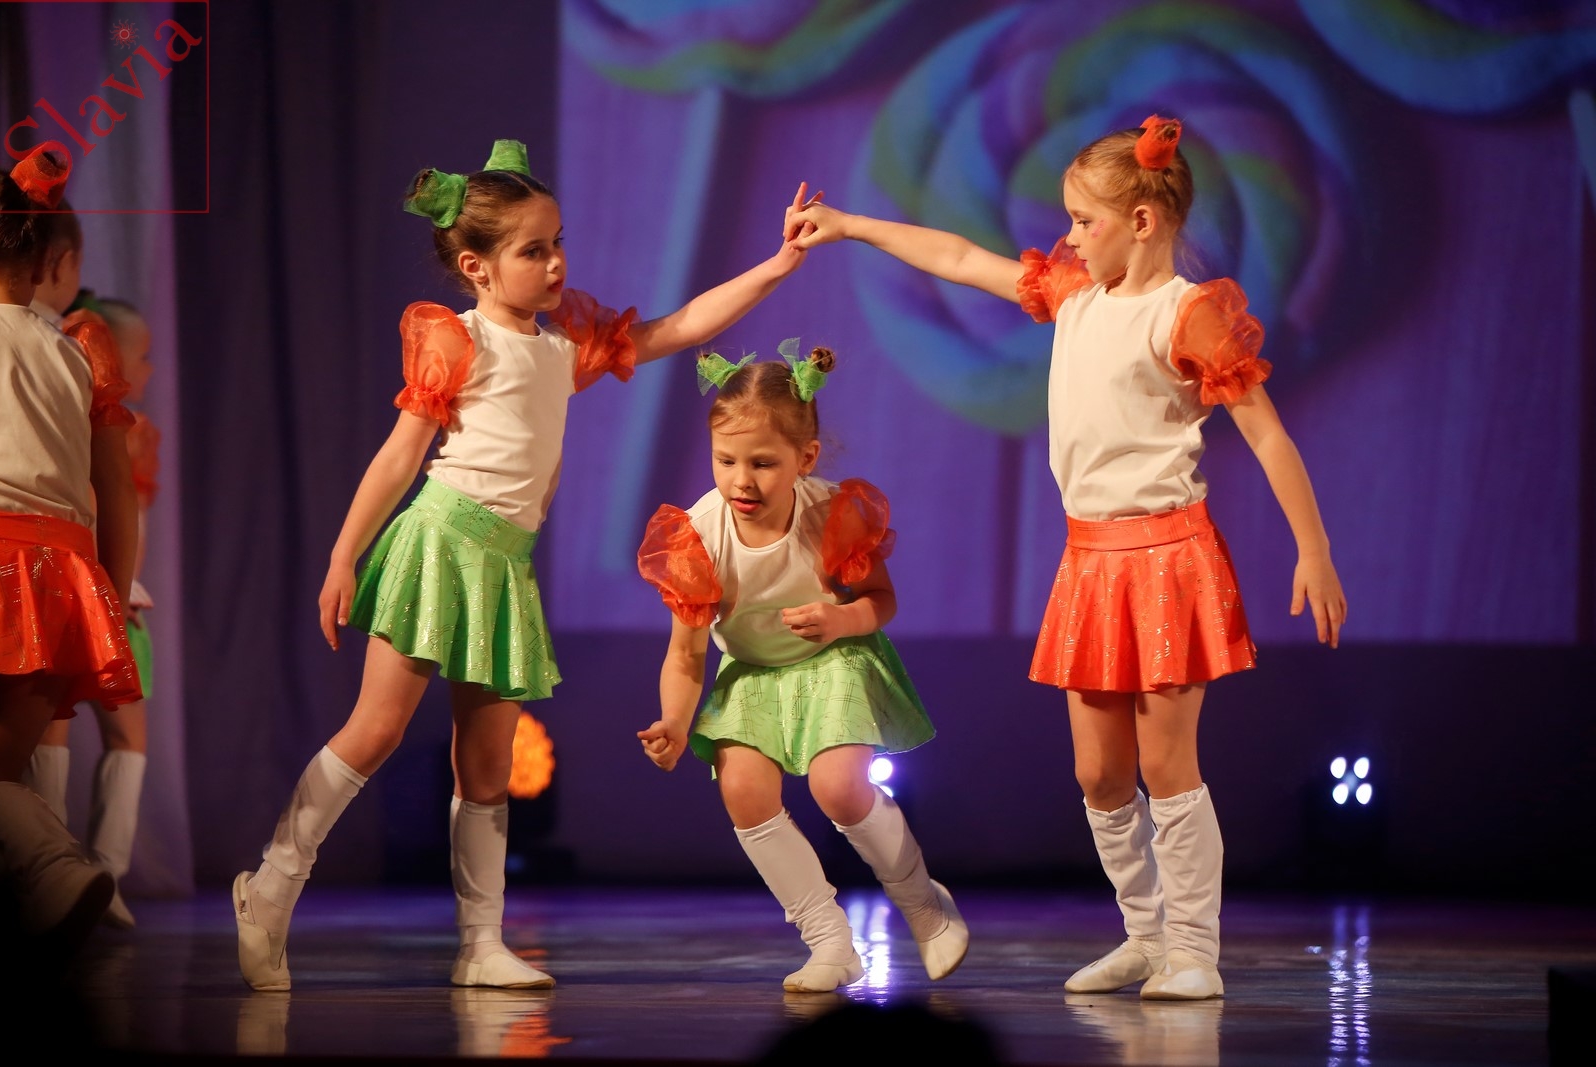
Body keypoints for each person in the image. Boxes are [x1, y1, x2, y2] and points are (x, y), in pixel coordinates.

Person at [784, 116, 1346, 1000]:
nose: (1070, 237)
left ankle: (1194, 951)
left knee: (1167, 765)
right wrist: (852, 225)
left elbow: (1267, 434)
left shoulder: (1186, 312)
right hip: (1091, 559)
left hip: (1167, 557)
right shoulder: (1075, 294)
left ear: (1143, 221)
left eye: (1085, 221)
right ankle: (1144, 935)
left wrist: (1314, 547)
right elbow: (959, 258)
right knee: (1099, 771)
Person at [232, 139, 809, 993]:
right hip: (439, 542)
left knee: (488, 764)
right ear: (477, 266)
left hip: (505, 564)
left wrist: (779, 264)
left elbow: (681, 325)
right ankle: (272, 884)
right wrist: (343, 556)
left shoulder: (561, 349)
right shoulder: (456, 340)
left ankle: (481, 942)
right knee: (378, 728)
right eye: (534, 250)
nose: (556, 263)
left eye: (558, 242)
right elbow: (399, 457)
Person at [636, 343, 967, 993]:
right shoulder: (698, 534)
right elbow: (686, 653)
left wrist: (842, 618)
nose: (742, 480)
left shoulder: (830, 513)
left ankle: (925, 905)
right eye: (726, 460)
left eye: (763, 463)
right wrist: (674, 719)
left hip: (830, 658)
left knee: (839, 787)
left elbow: (881, 600)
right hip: (752, 670)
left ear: (805, 459)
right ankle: (829, 941)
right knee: (743, 791)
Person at [0, 152, 141, 963]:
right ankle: (54, 870)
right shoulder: (80, 351)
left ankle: (54, 869)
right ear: (53, 262)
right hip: (57, 575)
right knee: (3, 768)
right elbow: (114, 493)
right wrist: (106, 598)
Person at [26, 296, 158, 930]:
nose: (148, 368)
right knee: (49, 724)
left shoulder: (138, 429)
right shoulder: (73, 412)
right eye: (141, 354)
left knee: (129, 733)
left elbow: (134, 510)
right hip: (79, 581)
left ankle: (106, 872)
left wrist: (127, 584)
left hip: (125, 591)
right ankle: (46, 869)